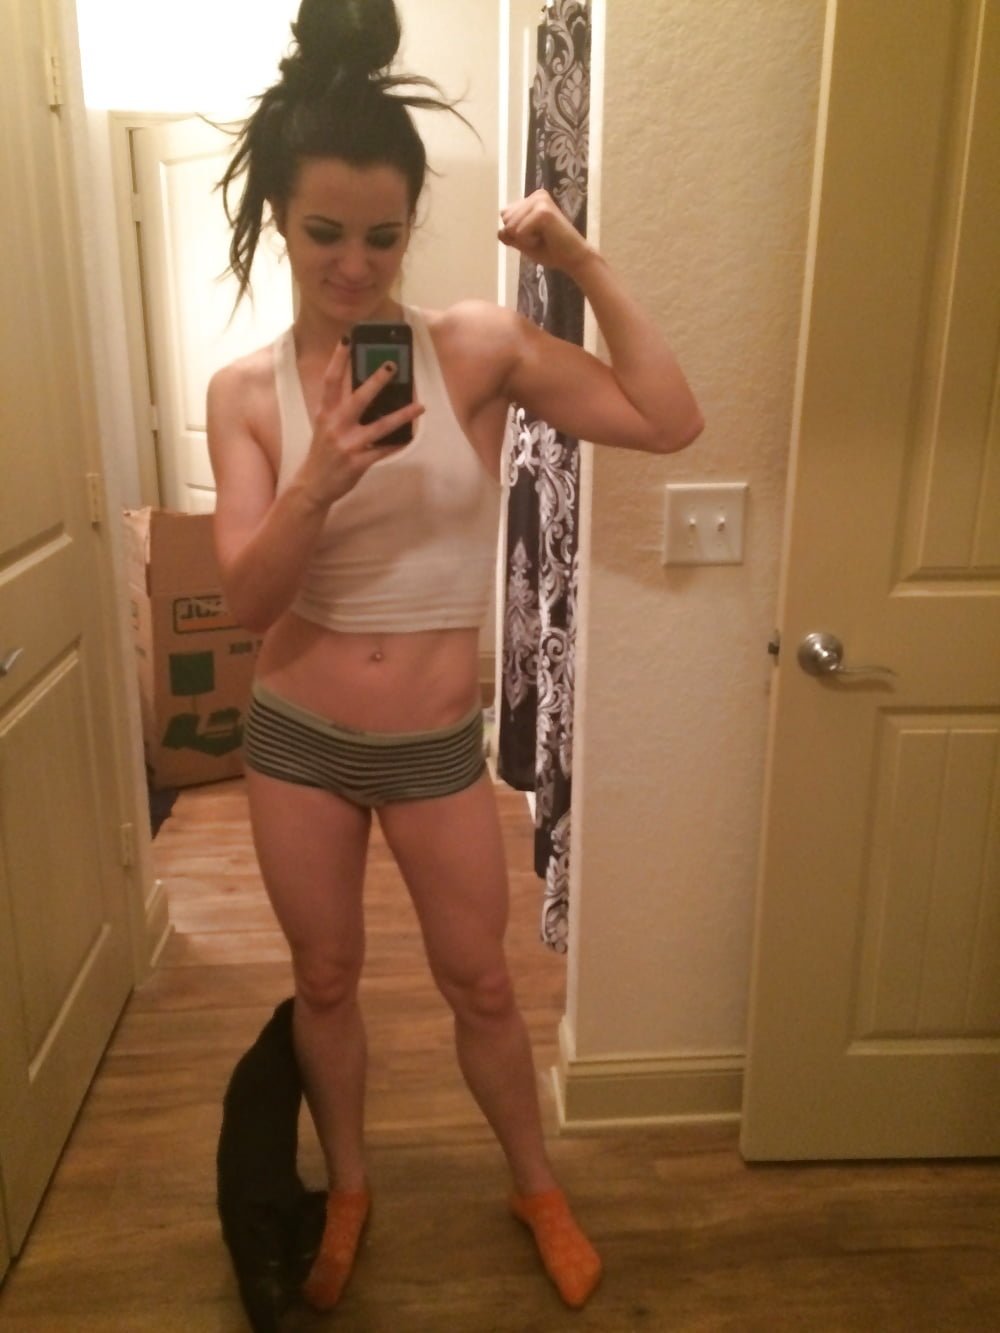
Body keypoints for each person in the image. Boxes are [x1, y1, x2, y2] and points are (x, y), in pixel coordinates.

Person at [208, 0, 703, 1313]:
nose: (354, 266)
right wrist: (320, 474)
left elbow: (667, 418)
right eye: (325, 233)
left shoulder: (474, 349)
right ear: (280, 218)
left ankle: (535, 1183)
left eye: (382, 236)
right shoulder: (245, 394)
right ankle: (350, 1185)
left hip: (433, 745)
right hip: (298, 739)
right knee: (325, 980)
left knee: (479, 980)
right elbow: (250, 601)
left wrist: (580, 260)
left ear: (412, 225)